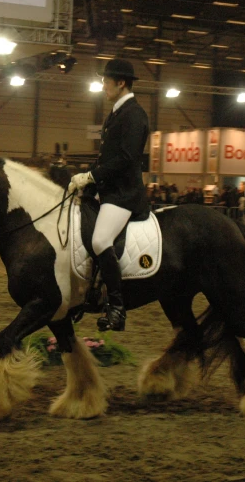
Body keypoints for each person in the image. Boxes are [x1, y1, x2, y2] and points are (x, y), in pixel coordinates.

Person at [68, 59, 150, 332]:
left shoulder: (134, 115)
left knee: (101, 239)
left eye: (106, 81)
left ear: (121, 82)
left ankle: (117, 307)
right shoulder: (117, 113)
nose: (103, 85)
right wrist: (84, 178)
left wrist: (93, 177)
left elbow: (127, 159)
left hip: (124, 195)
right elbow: (106, 158)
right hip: (109, 190)